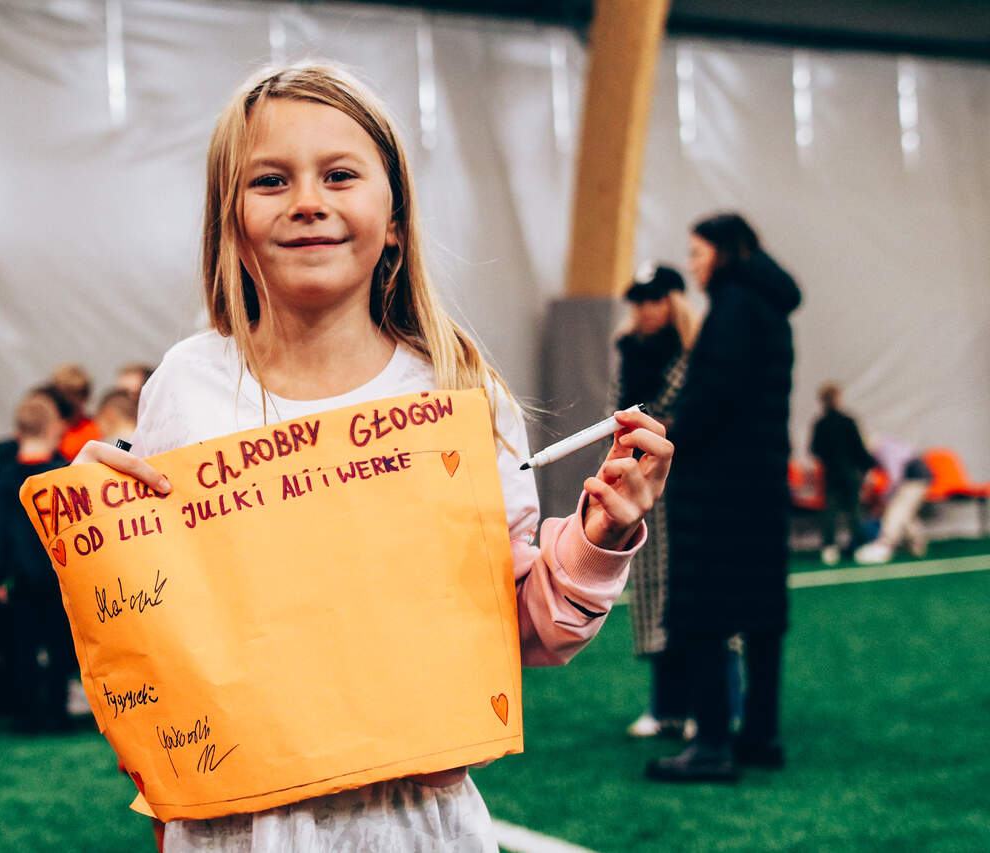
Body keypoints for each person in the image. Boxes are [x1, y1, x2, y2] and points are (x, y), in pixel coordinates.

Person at [71, 62, 672, 851]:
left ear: (395, 218)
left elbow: (526, 628)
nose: (307, 201)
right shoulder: (186, 386)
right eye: (270, 180)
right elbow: (162, 632)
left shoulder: (456, 391)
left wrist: (598, 538)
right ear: (232, 223)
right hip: (231, 829)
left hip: (414, 827)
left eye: (340, 175)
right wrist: (99, 535)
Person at [650, 213, 801, 782]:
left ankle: (711, 745)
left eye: (698, 253)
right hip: (761, 485)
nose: (693, 265)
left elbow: (712, 399)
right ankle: (760, 737)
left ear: (724, 252)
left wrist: (668, 432)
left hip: (718, 492)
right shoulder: (770, 310)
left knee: (703, 615)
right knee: (761, 617)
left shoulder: (733, 309)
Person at [613, 263, 698, 740]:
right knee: (652, 596)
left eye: (655, 299)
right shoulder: (629, 352)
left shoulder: (692, 354)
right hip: (646, 490)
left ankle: (709, 705)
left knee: (695, 593)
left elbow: (678, 416)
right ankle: (666, 706)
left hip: (690, 487)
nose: (646, 309)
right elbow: (621, 418)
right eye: (640, 301)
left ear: (673, 302)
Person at [0, 393, 72, 733]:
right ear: (53, 427)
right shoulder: (61, 470)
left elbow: (0, 531)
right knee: (59, 644)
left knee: (24, 645)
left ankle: (27, 713)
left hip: (22, 575)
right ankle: (56, 712)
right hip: (57, 571)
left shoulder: (7, 475)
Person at [809, 383, 876, 565]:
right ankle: (860, 546)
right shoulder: (848, 421)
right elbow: (858, 448)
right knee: (854, 508)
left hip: (831, 472)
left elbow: (814, 449)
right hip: (849, 472)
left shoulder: (820, 424)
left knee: (831, 509)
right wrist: (868, 466)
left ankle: (829, 547)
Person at [854, 435, 931, 564]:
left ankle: (885, 546)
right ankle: (917, 545)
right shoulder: (885, 447)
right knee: (905, 512)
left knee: (896, 511)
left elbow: (895, 475)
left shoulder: (884, 450)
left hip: (914, 476)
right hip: (916, 475)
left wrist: (887, 496)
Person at [51, 363, 100, 461]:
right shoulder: (45, 427)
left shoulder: (92, 431)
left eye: (74, 394)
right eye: (64, 394)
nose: (68, 400)